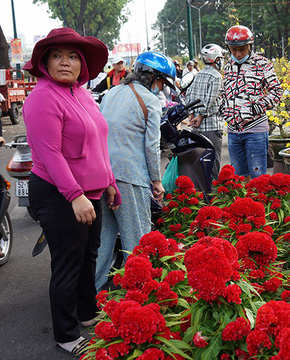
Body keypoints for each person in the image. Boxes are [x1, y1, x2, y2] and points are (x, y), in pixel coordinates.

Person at [23, 27, 121, 357]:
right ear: (45, 62)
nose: (66, 62)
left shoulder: (82, 94)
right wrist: (74, 194)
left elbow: (99, 142)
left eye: (73, 56)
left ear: (83, 65)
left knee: (88, 256)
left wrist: (109, 181)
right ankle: (66, 334)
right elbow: (50, 153)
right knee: (68, 262)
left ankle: (86, 312)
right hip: (58, 192)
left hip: (89, 192)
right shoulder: (42, 98)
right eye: (57, 55)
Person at [95, 51, 173, 291]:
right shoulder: (150, 101)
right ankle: (137, 296)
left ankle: (90, 295)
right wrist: (156, 181)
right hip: (130, 178)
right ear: (152, 77)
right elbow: (151, 146)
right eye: (161, 82)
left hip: (103, 175)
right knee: (136, 241)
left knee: (103, 241)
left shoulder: (112, 93)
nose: (161, 88)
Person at [220, 25, 283, 179]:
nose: (238, 53)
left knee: (258, 177)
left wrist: (255, 108)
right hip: (234, 132)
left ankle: (259, 203)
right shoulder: (228, 66)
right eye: (233, 50)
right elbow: (224, 92)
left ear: (250, 46)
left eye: (242, 49)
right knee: (239, 178)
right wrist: (224, 109)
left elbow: (276, 91)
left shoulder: (262, 64)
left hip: (255, 130)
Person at [186, 44, 226, 178]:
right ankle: (213, 194)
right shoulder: (216, 76)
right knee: (213, 164)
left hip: (197, 128)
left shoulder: (198, 74)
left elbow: (189, 96)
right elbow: (210, 100)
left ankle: (203, 195)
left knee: (201, 163)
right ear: (216, 59)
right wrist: (201, 116)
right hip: (211, 126)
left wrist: (192, 115)